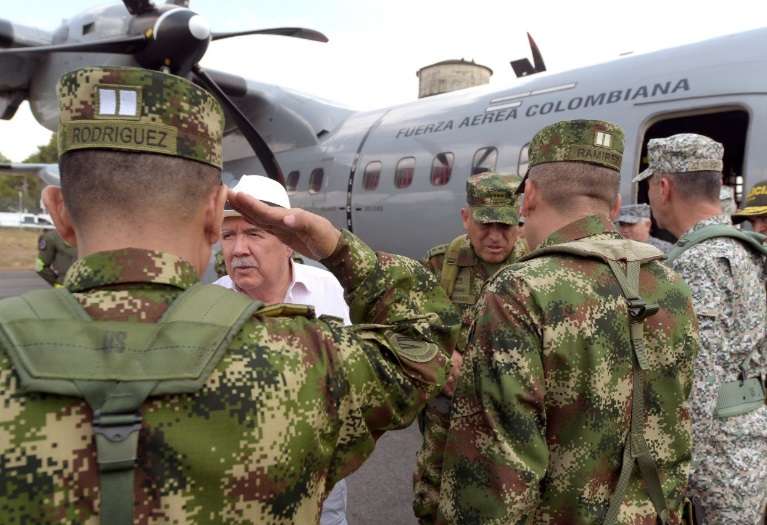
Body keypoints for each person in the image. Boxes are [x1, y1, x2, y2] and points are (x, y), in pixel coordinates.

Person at [0, 66, 455, 525]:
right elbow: (424, 346)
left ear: (57, 210)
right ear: (214, 213)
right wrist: (335, 246)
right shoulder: (305, 359)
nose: (240, 248)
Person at [437, 120, 699, 524]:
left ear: (529, 197)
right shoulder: (671, 284)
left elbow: (495, 475)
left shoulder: (521, 292)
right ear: (614, 207)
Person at [638, 133, 767, 524]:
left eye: (648, 185)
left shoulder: (700, 262)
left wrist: (662, 469)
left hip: (715, 470)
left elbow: (700, 383)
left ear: (664, 187)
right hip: (743, 446)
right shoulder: (740, 247)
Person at [214, 174, 351, 525]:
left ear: (289, 243)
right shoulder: (207, 306)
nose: (238, 249)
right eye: (228, 235)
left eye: (254, 233)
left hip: (321, 480)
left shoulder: (331, 292)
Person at [413, 172, 525, 522]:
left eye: (505, 226)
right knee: (433, 499)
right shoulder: (438, 265)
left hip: (513, 414)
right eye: (484, 225)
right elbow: (407, 328)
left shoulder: (538, 267)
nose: (494, 237)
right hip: (448, 413)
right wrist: (441, 357)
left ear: (519, 221)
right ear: (466, 218)